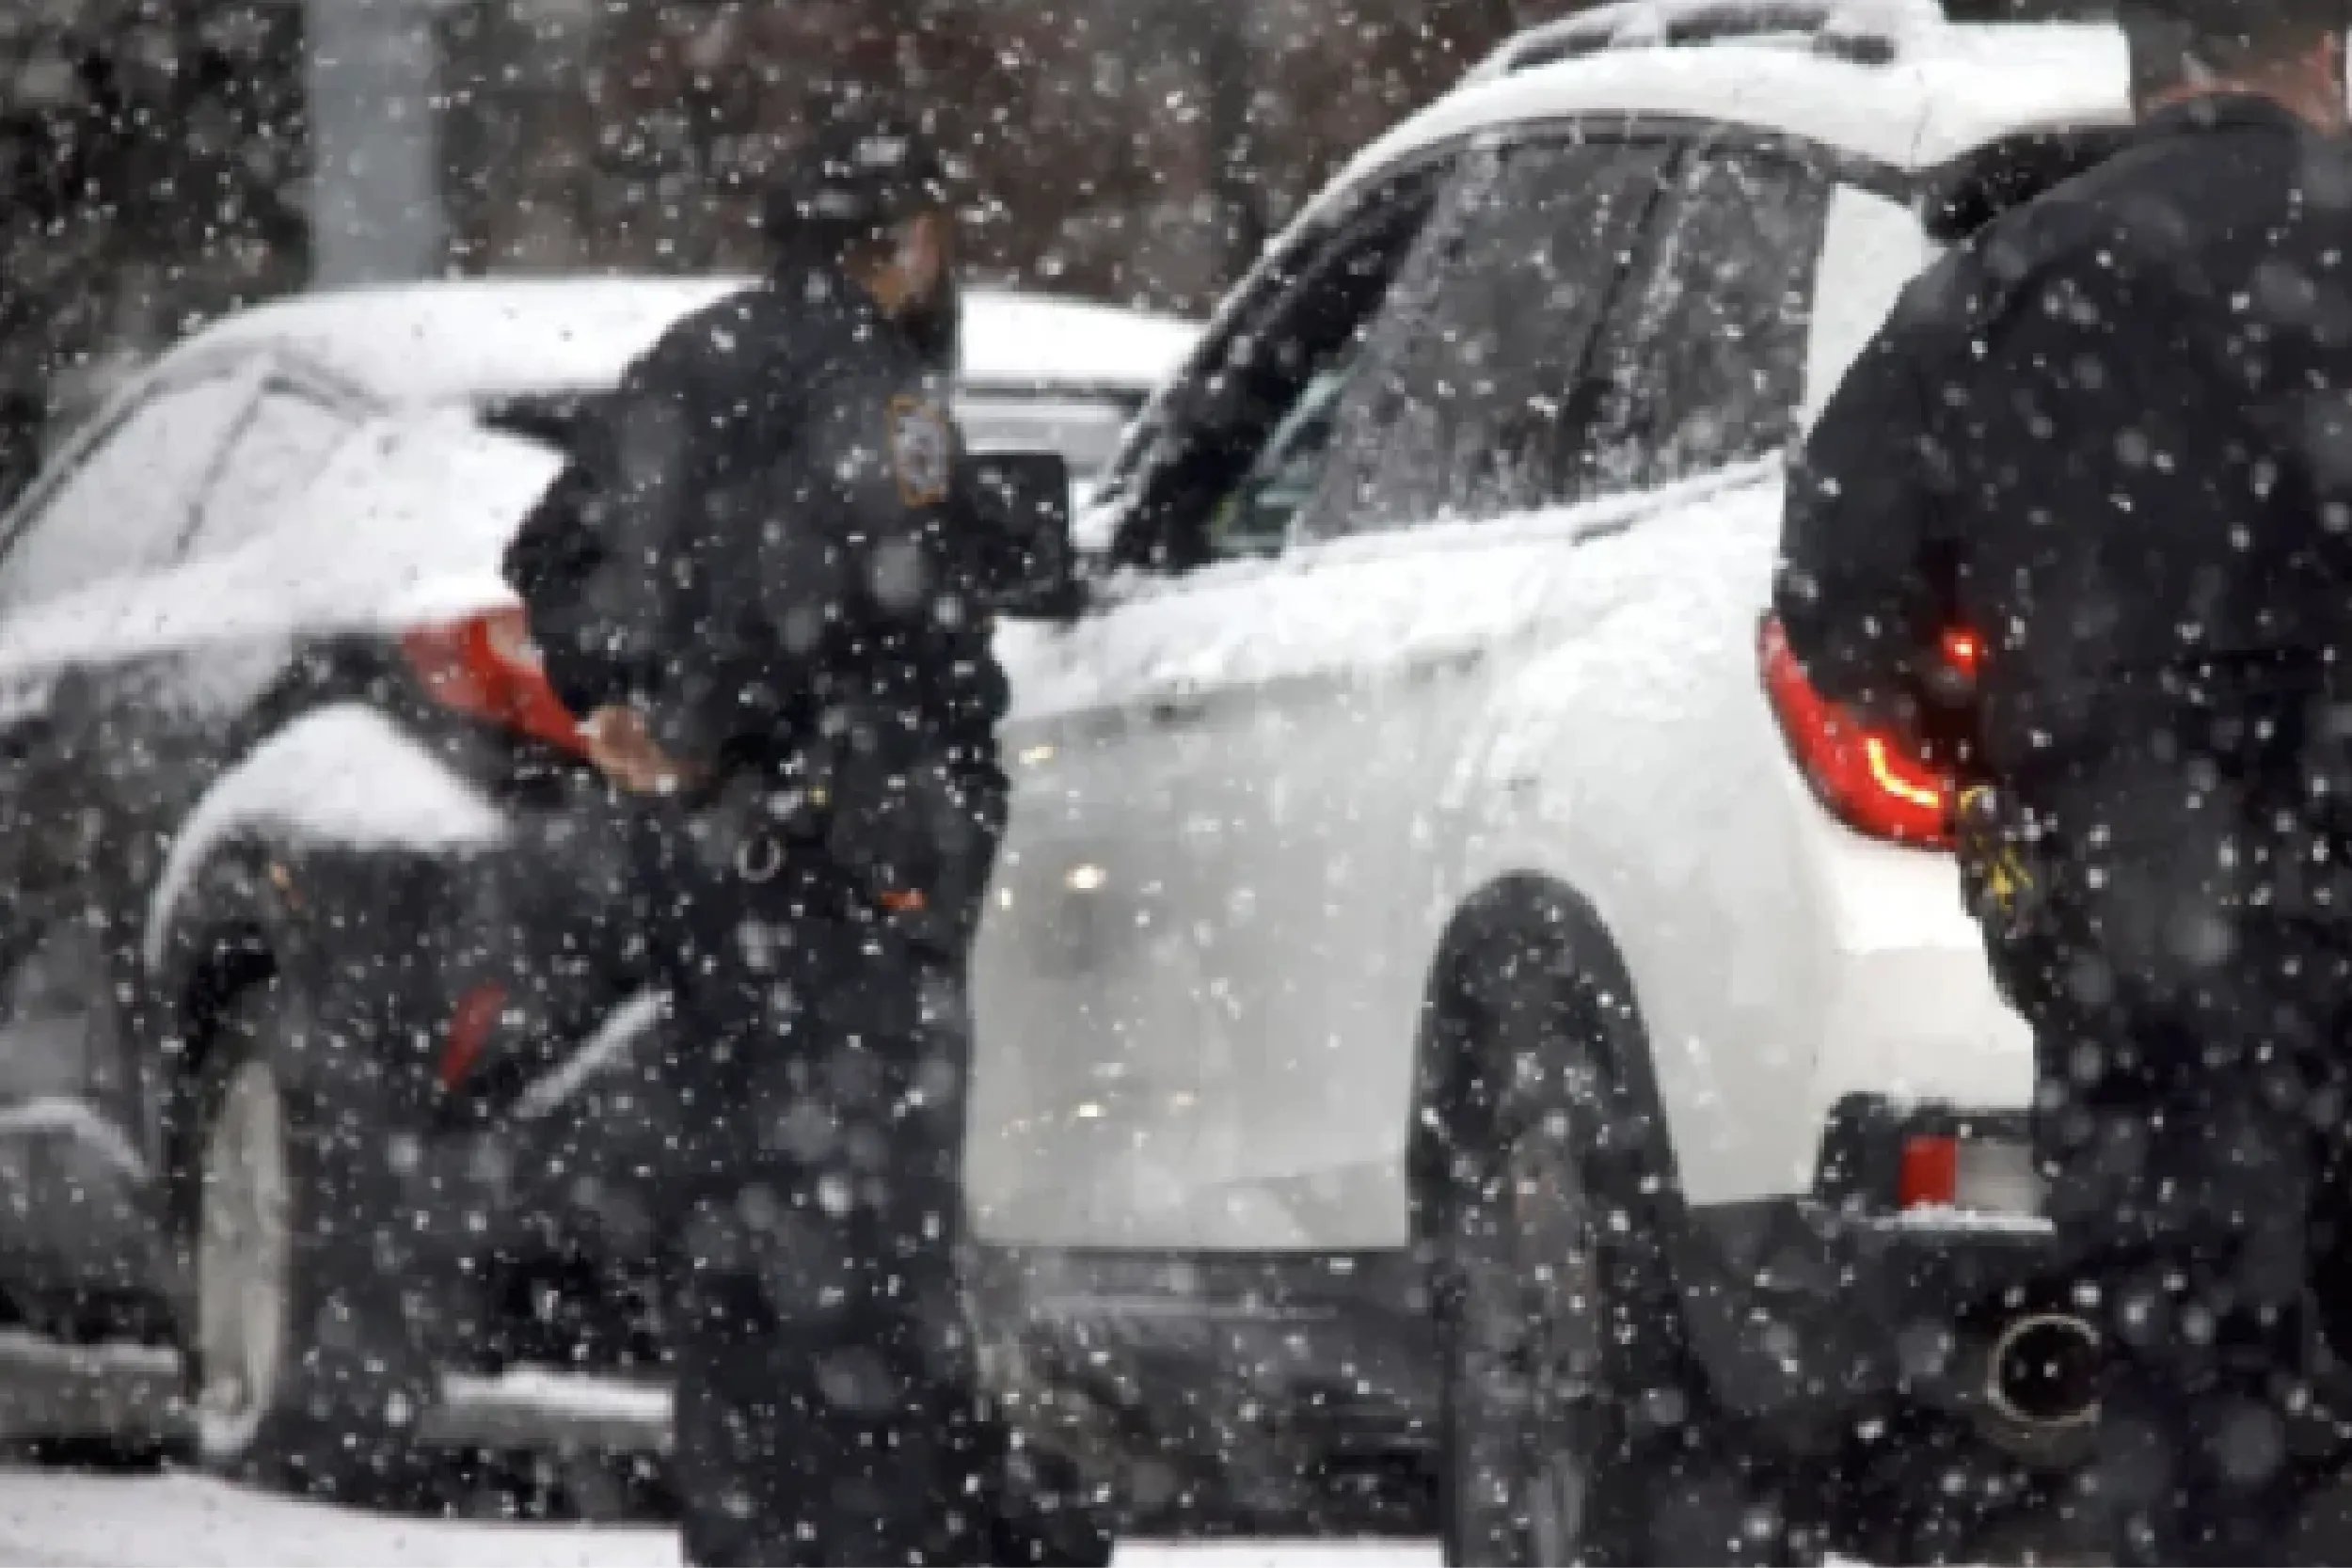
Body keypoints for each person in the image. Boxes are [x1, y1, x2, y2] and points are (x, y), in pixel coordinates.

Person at [1774, 4, 2352, 1564]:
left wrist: (2004, 725)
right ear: (2325, 59)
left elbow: (1838, 594)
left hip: (2140, 920)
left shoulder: (2004, 287)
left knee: (2192, 1374)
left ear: (2148, 72)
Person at [501, 103, 1092, 1568]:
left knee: (736, 1231)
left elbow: (549, 550)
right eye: (939, 235)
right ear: (906, 243)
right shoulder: (875, 385)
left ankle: (752, 1530)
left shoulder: (692, 358)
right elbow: (829, 576)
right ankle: (900, 1534)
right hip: (846, 863)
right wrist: (704, 718)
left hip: (716, 882)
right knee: (871, 1235)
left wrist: (618, 702)